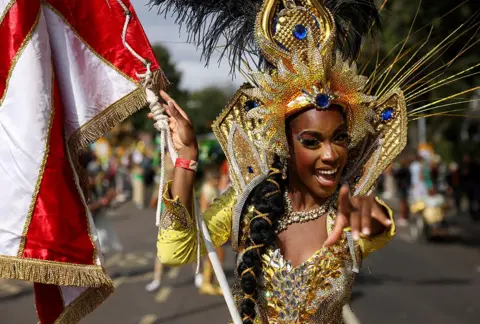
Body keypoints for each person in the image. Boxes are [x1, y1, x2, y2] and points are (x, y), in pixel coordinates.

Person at [150, 0, 475, 322]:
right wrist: (186, 160)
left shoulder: (346, 212)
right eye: (311, 141)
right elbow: (174, 252)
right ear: (284, 144)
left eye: (339, 138)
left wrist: (373, 216)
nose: (330, 154)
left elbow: (378, 225)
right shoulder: (247, 203)